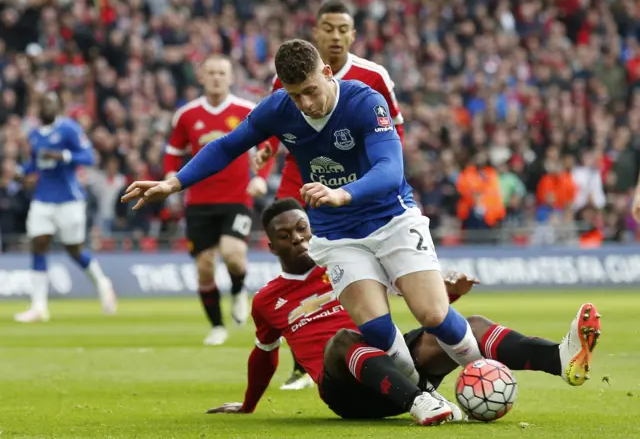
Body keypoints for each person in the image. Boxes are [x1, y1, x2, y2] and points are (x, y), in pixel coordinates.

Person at [122, 39, 484, 423]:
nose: (306, 103)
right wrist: (173, 183)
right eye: (296, 96)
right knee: (376, 328)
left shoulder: (366, 102)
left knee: (432, 314)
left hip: (390, 217)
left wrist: (342, 193)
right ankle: (425, 397)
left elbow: (390, 170)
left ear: (327, 73)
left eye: (311, 91)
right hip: (336, 231)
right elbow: (227, 147)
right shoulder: (279, 108)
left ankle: (483, 372)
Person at [206, 198, 601, 422]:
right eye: (285, 235)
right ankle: (420, 403)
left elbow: (415, 299)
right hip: (347, 391)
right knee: (344, 339)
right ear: (271, 246)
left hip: (396, 363)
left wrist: (449, 295)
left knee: (471, 325)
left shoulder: (346, 261)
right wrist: (249, 404)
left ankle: (560, 358)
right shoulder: (267, 300)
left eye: (303, 229)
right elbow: (265, 354)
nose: (298, 239)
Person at [257, 0, 405, 391]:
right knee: (294, 254)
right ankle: (305, 357)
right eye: (328, 29)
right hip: (301, 175)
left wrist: (384, 176)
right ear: (316, 32)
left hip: (354, 180)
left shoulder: (373, 76)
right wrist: (268, 151)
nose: (336, 36)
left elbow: (394, 133)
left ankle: (359, 342)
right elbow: (271, 123)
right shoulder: (290, 72)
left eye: (343, 29)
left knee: (347, 259)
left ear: (353, 34)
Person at [164, 55, 272, 346]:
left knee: (234, 255)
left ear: (231, 76)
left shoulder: (247, 110)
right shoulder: (186, 115)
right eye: (210, 73)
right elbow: (172, 154)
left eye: (221, 73)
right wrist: (170, 177)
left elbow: (266, 148)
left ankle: (238, 290)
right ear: (201, 77)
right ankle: (216, 326)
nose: (216, 78)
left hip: (237, 198)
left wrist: (260, 176)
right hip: (198, 200)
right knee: (204, 266)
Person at [15, 91, 117, 323]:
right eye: (44, 102)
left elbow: (89, 157)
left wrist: (63, 155)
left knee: (74, 249)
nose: (48, 107)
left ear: (59, 107)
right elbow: (35, 163)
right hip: (42, 198)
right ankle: (39, 306)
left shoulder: (69, 129)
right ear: (38, 107)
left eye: (52, 102)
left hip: (69, 199)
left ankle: (102, 283)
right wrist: (22, 173)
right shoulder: (33, 135)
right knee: (38, 244)